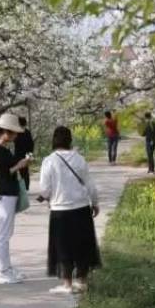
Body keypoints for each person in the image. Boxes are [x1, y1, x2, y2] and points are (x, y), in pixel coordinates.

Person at [40, 126, 101, 294]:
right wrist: (95, 203)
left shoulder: (49, 161)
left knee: (62, 246)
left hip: (60, 210)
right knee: (82, 245)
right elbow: (90, 185)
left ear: (54, 140)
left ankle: (67, 284)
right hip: (81, 208)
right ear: (70, 140)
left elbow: (45, 189)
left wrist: (45, 198)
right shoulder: (79, 159)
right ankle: (82, 281)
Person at [0, 113, 30, 284]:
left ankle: (7, 268)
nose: (15, 136)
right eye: (13, 133)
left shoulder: (4, 149)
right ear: (6, 132)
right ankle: (3, 271)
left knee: (7, 232)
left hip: (9, 193)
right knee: (3, 234)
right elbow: (4, 173)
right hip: (5, 193)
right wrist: (20, 165)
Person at [14, 117, 35, 190]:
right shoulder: (27, 132)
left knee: (20, 172)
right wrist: (30, 157)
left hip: (18, 155)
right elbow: (31, 145)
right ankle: (26, 187)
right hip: (25, 155)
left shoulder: (16, 133)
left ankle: (22, 187)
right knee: (25, 172)